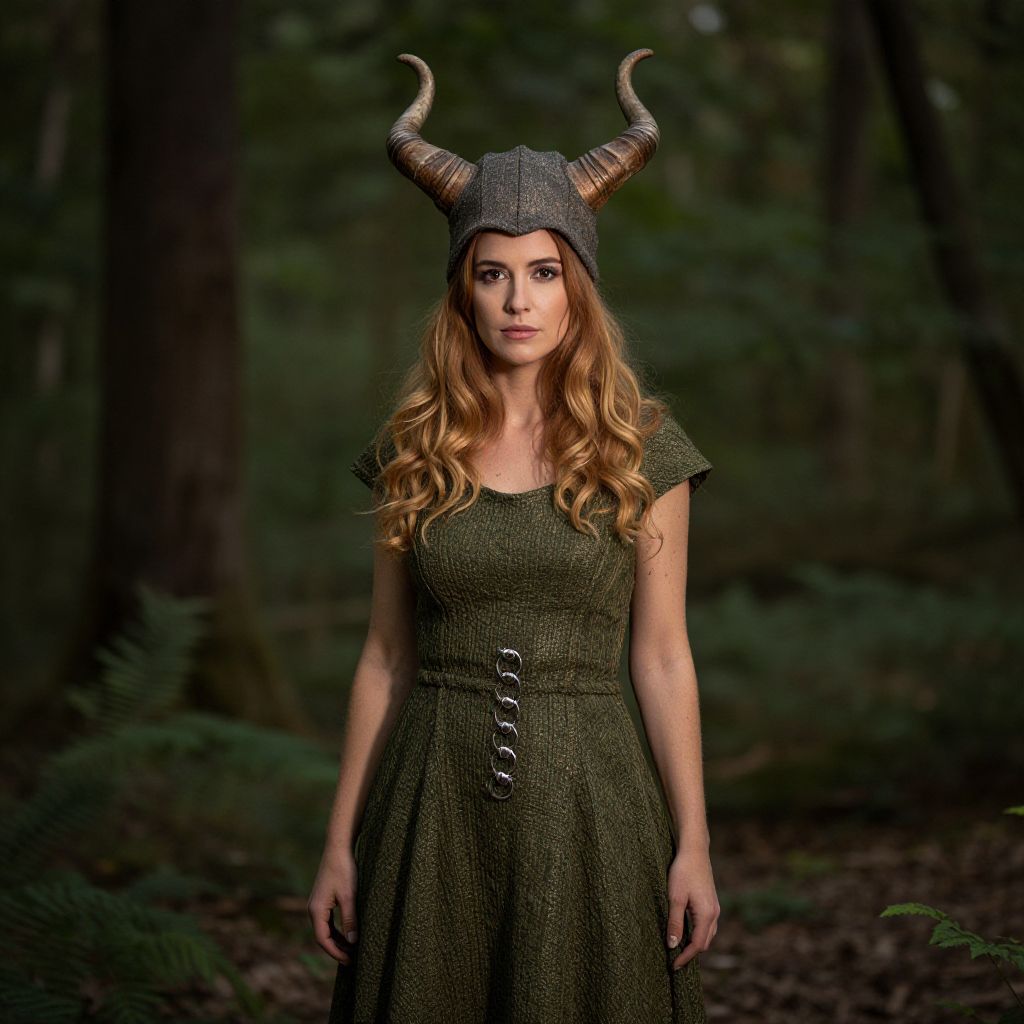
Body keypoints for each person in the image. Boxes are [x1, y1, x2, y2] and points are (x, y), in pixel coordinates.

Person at [309, 48, 720, 1024]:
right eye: (491, 273)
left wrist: (694, 841)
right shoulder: (412, 448)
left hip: (592, 801)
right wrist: (337, 840)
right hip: (429, 803)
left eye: (543, 271)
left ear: (577, 283)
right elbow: (382, 655)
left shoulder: (643, 449)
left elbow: (662, 657)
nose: (517, 300)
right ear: (462, 287)